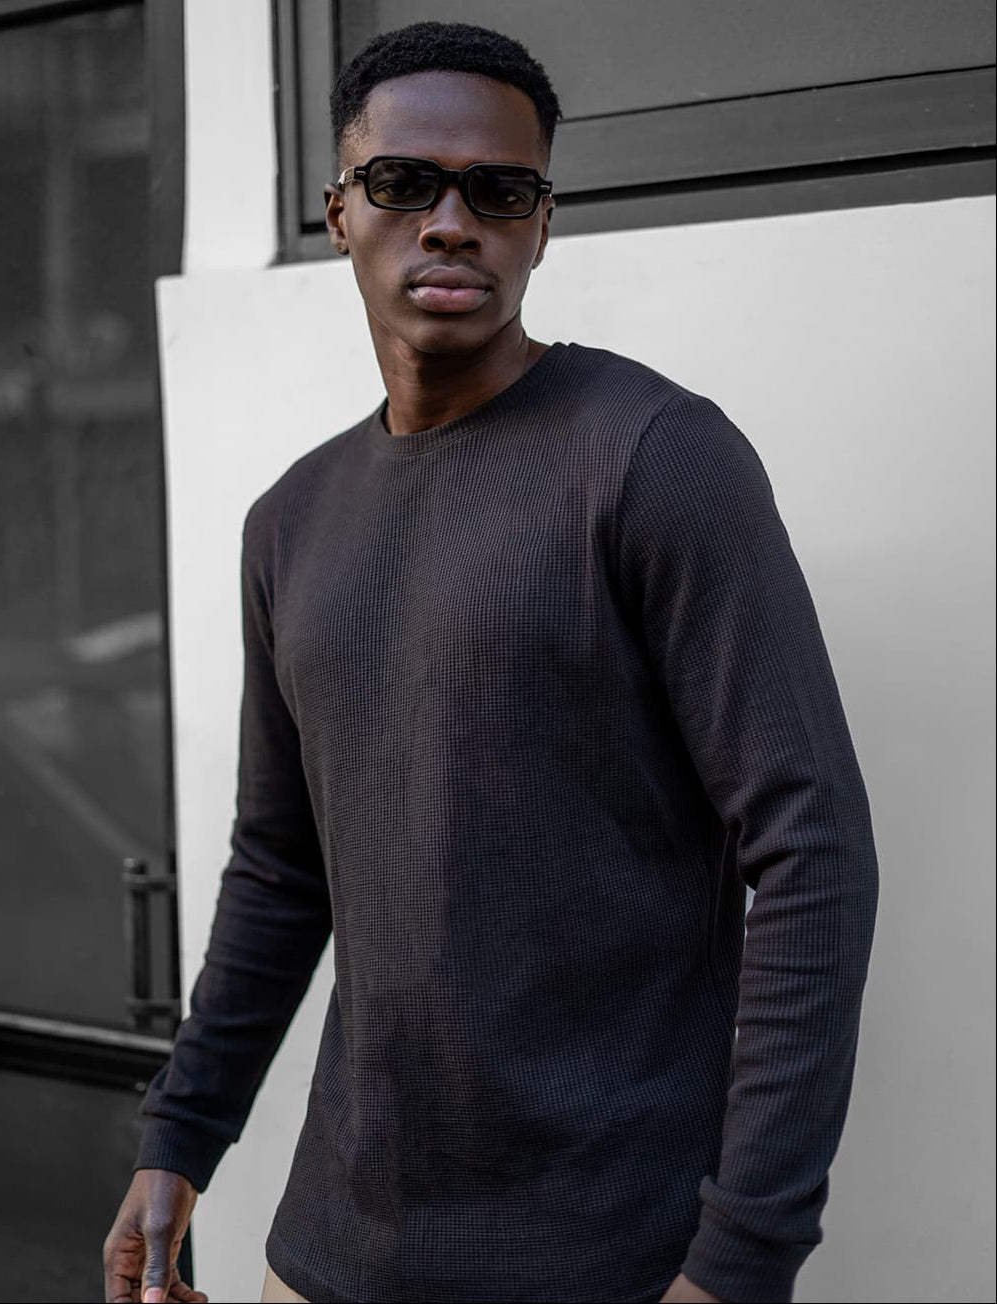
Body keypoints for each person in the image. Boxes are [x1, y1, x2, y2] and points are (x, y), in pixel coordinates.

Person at [103, 21, 879, 1304]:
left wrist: (744, 1254)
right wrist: (181, 1129)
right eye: (404, 181)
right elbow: (281, 863)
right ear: (340, 211)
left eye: (498, 190)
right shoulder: (290, 520)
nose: (451, 222)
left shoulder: (654, 456)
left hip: (600, 1254)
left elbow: (812, 847)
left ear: (542, 222)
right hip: (330, 1245)